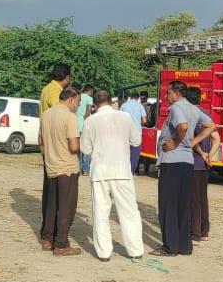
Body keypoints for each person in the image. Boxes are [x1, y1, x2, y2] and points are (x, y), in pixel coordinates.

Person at [151, 81, 215, 257]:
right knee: (183, 205)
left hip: (172, 161)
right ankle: (184, 245)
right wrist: (192, 142)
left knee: (168, 205)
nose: (166, 96)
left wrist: (175, 142)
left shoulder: (176, 108)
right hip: (187, 162)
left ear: (177, 93)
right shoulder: (194, 109)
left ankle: (170, 247)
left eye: (168, 93)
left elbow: (183, 126)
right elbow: (211, 126)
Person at [81, 89, 144, 261]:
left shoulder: (90, 121)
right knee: (129, 211)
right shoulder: (124, 117)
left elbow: (85, 149)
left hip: (100, 171)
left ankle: (104, 252)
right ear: (111, 101)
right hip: (121, 170)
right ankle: (135, 250)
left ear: (95, 105)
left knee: (100, 212)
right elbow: (136, 141)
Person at [40, 88, 82, 256]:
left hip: (51, 166)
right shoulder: (69, 117)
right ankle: (61, 244)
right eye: (77, 102)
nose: (77, 106)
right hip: (67, 168)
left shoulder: (46, 114)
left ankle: (47, 239)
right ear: (70, 100)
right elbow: (74, 147)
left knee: (51, 205)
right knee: (66, 207)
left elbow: (40, 140)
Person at [39, 64, 71, 240]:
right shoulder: (55, 92)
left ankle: (48, 230)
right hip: (56, 148)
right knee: (55, 193)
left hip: (48, 146)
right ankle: (51, 233)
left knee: (50, 190)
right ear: (67, 77)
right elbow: (58, 114)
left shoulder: (46, 89)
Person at [185, 87, 221, 243]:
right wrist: (209, 155)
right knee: (202, 197)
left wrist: (201, 153)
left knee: (193, 199)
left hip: (193, 162)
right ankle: (204, 230)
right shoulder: (207, 115)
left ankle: (195, 233)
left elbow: (191, 140)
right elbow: (217, 139)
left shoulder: (189, 115)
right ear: (200, 98)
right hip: (204, 164)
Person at [119, 92, 146, 175]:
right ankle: (132, 171)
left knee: (124, 151)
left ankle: (123, 169)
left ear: (130, 97)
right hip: (136, 132)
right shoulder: (140, 106)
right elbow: (144, 120)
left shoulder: (123, 105)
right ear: (138, 98)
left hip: (125, 131)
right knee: (135, 152)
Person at [76, 85, 95, 176]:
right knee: (86, 148)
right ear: (90, 90)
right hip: (83, 125)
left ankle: (78, 168)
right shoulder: (89, 98)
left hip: (75, 125)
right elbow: (88, 111)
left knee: (77, 149)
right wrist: (86, 120)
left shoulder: (77, 96)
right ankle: (85, 169)